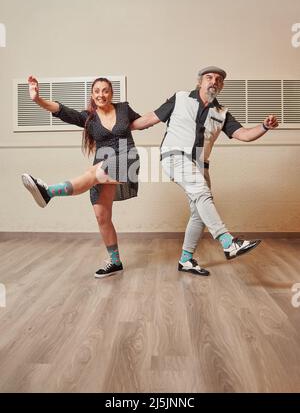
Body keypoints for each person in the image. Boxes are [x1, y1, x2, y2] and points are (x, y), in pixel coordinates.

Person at [130, 66, 279, 276]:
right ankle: (228, 242)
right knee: (202, 194)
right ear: (200, 82)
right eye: (209, 77)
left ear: (222, 86)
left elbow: (244, 134)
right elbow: (148, 119)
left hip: (200, 165)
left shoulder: (222, 112)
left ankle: (186, 260)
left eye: (218, 79)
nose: (214, 81)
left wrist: (264, 126)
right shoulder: (180, 98)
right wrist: (117, 127)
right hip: (174, 156)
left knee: (199, 213)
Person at [22, 76, 141, 278]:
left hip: (125, 157)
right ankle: (115, 262)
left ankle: (48, 192)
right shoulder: (89, 117)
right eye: (97, 91)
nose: (101, 94)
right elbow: (63, 111)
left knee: (91, 174)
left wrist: (167, 113)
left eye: (105, 90)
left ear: (111, 93)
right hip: (102, 161)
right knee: (101, 216)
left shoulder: (123, 109)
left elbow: (142, 121)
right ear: (92, 95)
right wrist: (38, 100)